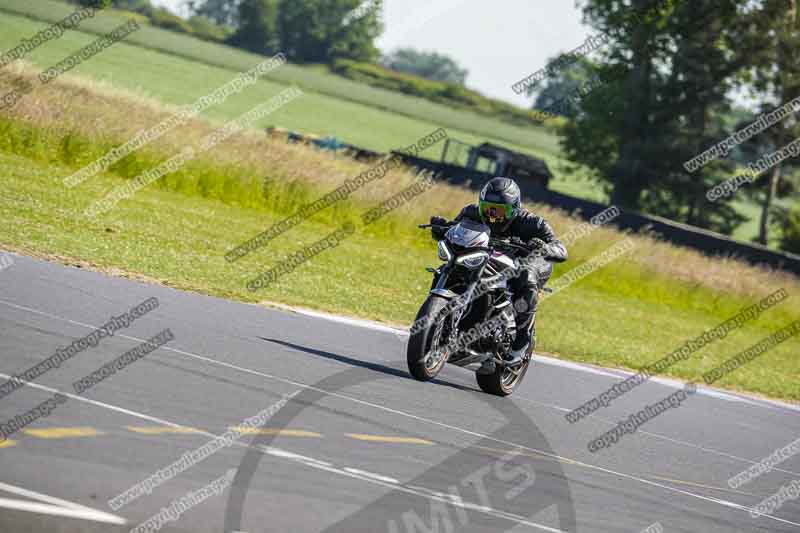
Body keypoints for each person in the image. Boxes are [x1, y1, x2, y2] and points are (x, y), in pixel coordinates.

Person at [430, 177, 568, 367]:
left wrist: (544, 248)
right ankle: (445, 325)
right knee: (450, 265)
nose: (493, 215)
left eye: (500, 211)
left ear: (515, 208)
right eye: (488, 208)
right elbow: (456, 231)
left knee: (526, 277)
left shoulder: (533, 223)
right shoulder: (471, 212)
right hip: (486, 257)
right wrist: (442, 228)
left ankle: (521, 340)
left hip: (527, 260)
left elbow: (561, 249)